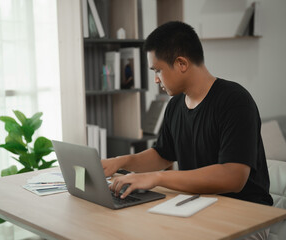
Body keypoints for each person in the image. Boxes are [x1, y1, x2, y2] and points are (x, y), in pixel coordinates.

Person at [102, 21, 272, 239]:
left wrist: (157, 178)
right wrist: (120, 162)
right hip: (196, 206)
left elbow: (233, 177)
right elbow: (162, 155)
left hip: (246, 216)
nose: (156, 79)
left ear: (181, 63)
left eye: (158, 70)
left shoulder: (235, 101)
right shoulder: (175, 105)